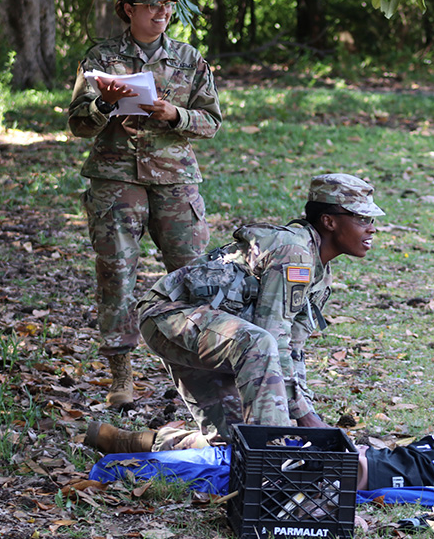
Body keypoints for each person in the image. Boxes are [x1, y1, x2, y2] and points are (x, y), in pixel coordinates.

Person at [85, 173, 385, 453]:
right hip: (171, 316)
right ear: (329, 221)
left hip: (219, 333)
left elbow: (293, 349)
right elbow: (272, 339)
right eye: (362, 218)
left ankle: (133, 442)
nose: (372, 228)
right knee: (268, 411)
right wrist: (303, 421)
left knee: (236, 439)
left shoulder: (320, 273)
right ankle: (277, 471)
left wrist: (306, 415)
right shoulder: (294, 253)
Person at [68, 0, 222, 407]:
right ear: (128, 9)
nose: (163, 12)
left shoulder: (190, 59)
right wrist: (104, 104)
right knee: (116, 274)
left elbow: (212, 122)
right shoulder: (100, 58)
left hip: (175, 180)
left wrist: (175, 114)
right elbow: (78, 124)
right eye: (153, 4)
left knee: (194, 275)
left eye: (168, 4)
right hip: (116, 181)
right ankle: (123, 378)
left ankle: (200, 371)